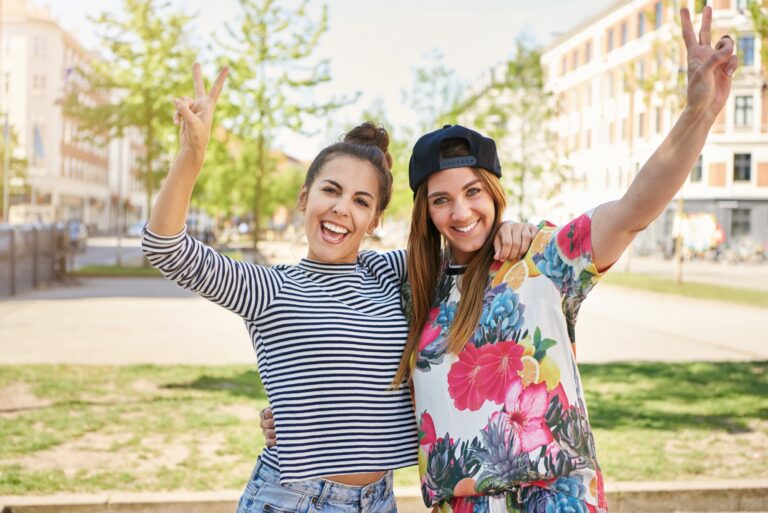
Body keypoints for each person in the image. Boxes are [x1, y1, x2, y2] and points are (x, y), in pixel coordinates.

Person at [263, 7, 737, 513]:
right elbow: (350, 348)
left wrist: (698, 113)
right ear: (425, 211)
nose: (461, 211)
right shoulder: (413, 285)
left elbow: (633, 210)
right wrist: (298, 412)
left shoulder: (543, 259)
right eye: (441, 199)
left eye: (473, 192)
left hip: (556, 499)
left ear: (493, 193)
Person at [142, 63, 537, 513]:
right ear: (305, 197)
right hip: (293, 501)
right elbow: (166, 248)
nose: (341, 209)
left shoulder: (395, 273)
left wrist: (513, 229)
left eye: (361, 201)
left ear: (374, 221)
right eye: (331, 190)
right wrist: (191, 158)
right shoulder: (270, 288)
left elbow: (466, 238)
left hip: (379, 500)